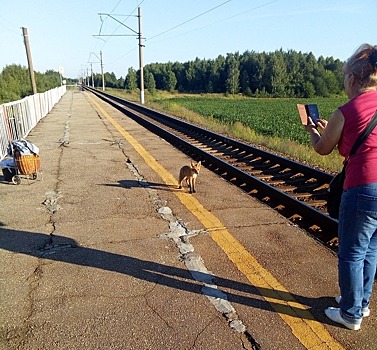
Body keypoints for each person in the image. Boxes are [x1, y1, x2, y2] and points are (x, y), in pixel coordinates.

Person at [305, 43, 377, 331]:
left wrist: (313, 130)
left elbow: (324, 148)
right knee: (372, 248)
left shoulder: (347, 110)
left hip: (362, 187)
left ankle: (350, 313)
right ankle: (362, 302)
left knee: (351, 253)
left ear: (352, 79)